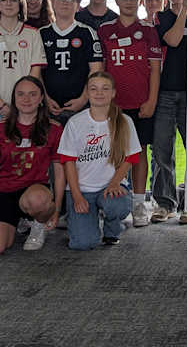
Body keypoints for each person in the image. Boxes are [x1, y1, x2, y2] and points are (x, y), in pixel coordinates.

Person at [0, 76, 64, 254]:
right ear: (14, 98)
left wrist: (57, 208)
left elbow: (59, 171)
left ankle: (37, 224)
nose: (26, 99)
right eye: (21, 94)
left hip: (34, 191)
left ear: (41, 99)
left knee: (37, 200)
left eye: (32, 94)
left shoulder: (53, 128)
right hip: (3, 193)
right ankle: (18, 221)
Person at [98, 0, 162, 227]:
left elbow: (155, 70)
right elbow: (101, 68)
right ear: (116, 1)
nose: (128, 2)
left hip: (140, 103)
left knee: (139, 151)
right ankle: (111, 198)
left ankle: (138, 202)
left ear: (140, 2)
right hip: (114, 104)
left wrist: (152, 100)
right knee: (112, 151)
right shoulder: (105, 30)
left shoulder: (147, 30)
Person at [59, 72, 143, 249]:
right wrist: (77, 197)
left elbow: (131, 158)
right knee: (83, 244)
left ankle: (113, 228)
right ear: (87, 93)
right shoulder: (75, 123)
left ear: (113, 93)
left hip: (108, 188)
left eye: (105, 89)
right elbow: (68, 162)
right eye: (94, 89)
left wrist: (114, 183)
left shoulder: (124, 121)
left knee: (117, 205)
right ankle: (84, 220)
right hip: (82, 189)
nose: (99, 93)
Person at [0, 0, 47, 186]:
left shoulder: (32, 34)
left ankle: (22, 204)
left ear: (21, 4)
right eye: (4, 0)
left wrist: (23, 103)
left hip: (25, 106)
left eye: (13, 0)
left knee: (24, 157)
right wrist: (0, 105)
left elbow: (35, 72)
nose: (8, 4)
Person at [150, 0, 187, 224]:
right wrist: (185, 12)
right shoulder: (161, 17)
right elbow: (173, 40)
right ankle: (164, 203)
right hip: (166, 93)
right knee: (162, 150)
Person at [40, 0, 103, 125]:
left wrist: (84, 98)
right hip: (48, 106)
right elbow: (36, 71)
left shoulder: (87, 32)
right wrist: (44, 97)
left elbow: (96, 69)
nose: (65, 3)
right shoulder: (42, 34)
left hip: (80, 105)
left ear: (78, 5)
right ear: (53, 1)